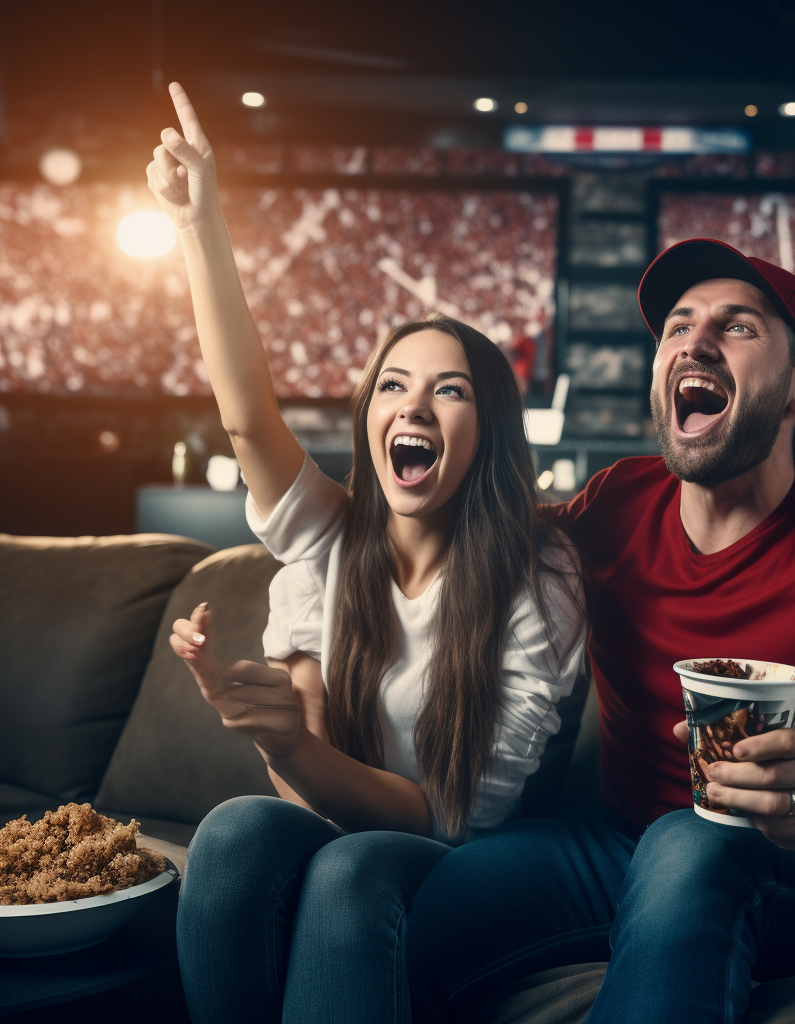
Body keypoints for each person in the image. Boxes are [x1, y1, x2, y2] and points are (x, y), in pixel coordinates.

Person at [405, 238, 795, 1024]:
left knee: (690, 842)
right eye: (675, 326)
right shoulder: (614, 504)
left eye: (736, 327)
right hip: (623, 845)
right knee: (425, 911)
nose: (692, 342)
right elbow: (464, 536)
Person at [146, 82, 586, 1024]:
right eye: (394, 385)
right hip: (343, 836)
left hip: (473, 863)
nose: (414, 407)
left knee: (348, 871)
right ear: (371, 418)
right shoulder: (325, 544)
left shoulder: (536, 580)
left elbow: (457, 819)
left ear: (489, 430)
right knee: (230, 832)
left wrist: (295, 745)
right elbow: (246, 415)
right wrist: (200, 225)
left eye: (450, 391)